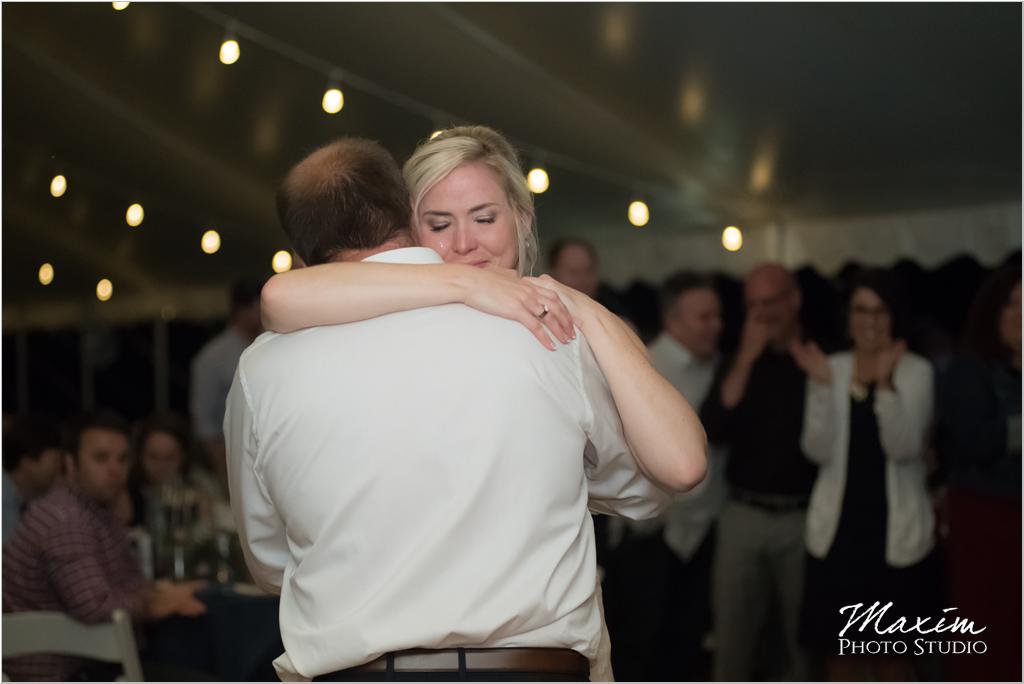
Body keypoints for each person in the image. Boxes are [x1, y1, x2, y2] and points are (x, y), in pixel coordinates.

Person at [227, 135, 705, 681]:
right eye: (439, 223)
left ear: (523, 219)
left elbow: (270, 560)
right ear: (407, 223)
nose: (464, 244)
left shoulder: (264, 366)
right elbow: (642, 487)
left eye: (483, 217)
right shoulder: (545, 337)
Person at [794, 269, 939, 681]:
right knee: (840, 656)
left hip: (897, 536)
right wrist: (822, 387)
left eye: (880, 311)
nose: (870, 320)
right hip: (837, 534)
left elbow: (905, 448)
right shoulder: (832, 367)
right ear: (849, 316)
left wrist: (887, 387)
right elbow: (815, 449)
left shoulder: (916, 371)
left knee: (895, 659)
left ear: (894, 317)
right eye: (861, 310)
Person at [2, 410, 207, 681]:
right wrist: (152, 604)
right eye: (100, 458)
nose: (115, 470)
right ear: (70, 462)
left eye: (123, 459)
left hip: (88, 661)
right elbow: (96, 607)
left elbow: (128, 579)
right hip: (61, 672)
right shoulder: (65, 519)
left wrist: (156, 594)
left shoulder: (93, 509)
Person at [603, 272, 727, 681]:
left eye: (717, 315)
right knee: (643, 646)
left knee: (688, 644)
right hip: (651, 534)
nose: (716, 325)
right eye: (704, 317)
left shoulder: (719, 368)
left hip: (702, 532)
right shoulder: (644, 364)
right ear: (673, 320)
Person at [699, 263, 816, 681]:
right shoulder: (738, 358)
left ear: (794, 300)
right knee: (732, 639)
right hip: (743, 515)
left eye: (771, 302)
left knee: (801, 642)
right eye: (753, 304)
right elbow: (713, 427)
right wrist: (746, 357)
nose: (762, 312)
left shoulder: (818, 357)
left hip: (803, 518)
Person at [937, 263, 1021, 682]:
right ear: (995, 312)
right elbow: (975, 440)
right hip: (984, 516)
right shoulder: (969, 370)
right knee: (986, 625)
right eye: (1014, 305)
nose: (1022, 316)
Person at [127, 413, 226, 577]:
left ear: (183, 456)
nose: (161, 466)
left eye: (169, 458)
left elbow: (215, 540)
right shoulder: (126, 492)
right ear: (139, 456)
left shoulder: (200, 486)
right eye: (153, 457)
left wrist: (205, 511)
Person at [190, 276, 263, 490]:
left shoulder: (265, 346)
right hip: (230, 465)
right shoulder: (213, 357)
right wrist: (227, 476)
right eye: (260, 306)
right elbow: (205, 425)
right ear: (244, 308)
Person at [2, 415, 63, 546]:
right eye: (55, 461)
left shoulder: (15, 497)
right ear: (28, 462)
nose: (60, 469)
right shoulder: (4, 502)